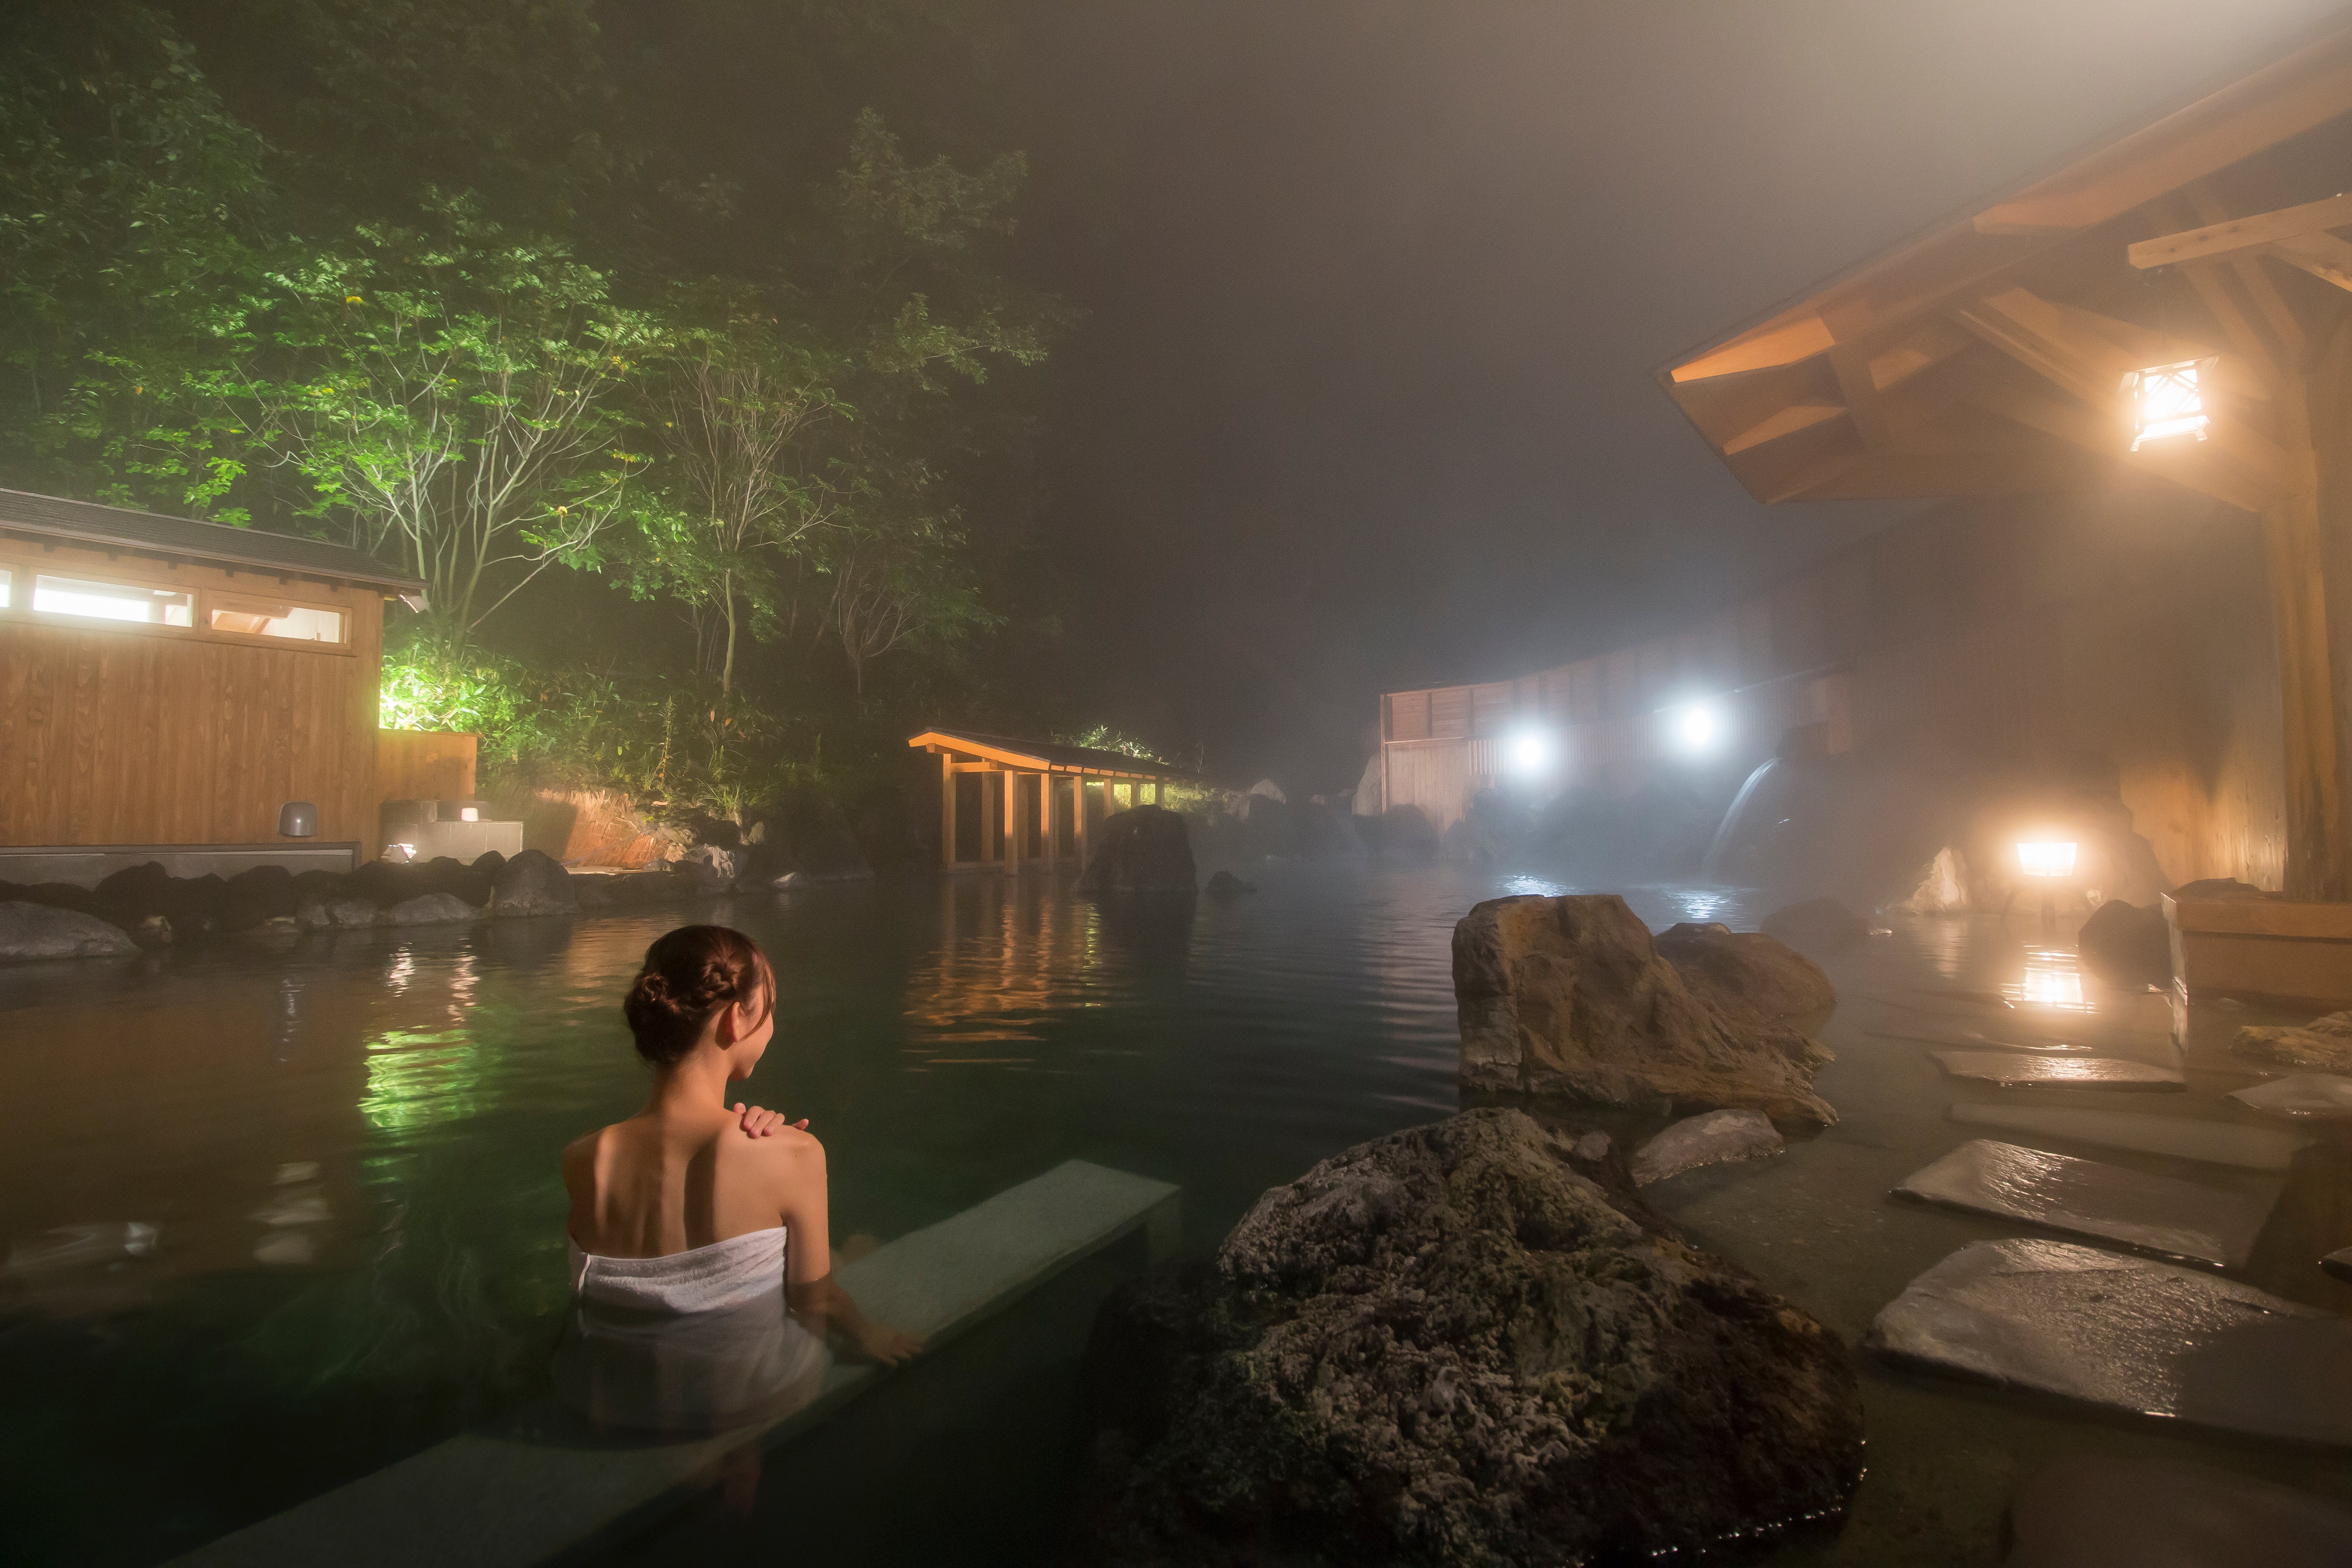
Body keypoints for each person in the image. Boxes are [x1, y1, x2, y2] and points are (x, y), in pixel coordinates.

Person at [561, 924, 921, 1367]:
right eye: (769, 1009)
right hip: (745, 1406)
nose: (773, 1025)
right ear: (736, 1020)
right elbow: (816, 1302)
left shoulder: (584, 1158)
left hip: (611, 1401)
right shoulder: (795, 1154)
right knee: (854, 1250)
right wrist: (869, 1337)